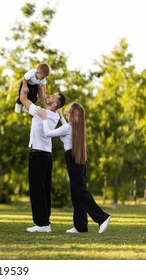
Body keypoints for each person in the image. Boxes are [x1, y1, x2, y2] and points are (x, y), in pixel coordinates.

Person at [35, 103, 111, 233]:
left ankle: (102, 217)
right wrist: (60, 116)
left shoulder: (69, 127)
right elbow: (65, 128)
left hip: (72, 158)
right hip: (77, 159)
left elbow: (48, 133)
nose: (66, 108)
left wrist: (44, 118)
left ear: (72, 112)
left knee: (80, 191)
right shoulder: (74, 127)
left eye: (68, 108)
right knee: (76, 192)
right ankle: (80, 226)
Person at [19, 84, 67, 233]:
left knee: (37, 190)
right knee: (44, 190)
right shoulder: (51, 114)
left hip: (38, 155)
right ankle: (45, 223)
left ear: (54, 104)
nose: (49, 95)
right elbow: (42, 97)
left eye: (53, 96)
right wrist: (42, 86)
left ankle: (41, 224)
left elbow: (22, 99)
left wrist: (25, 83)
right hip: (46, 155)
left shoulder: (41, 113)